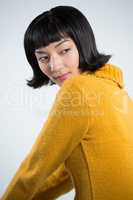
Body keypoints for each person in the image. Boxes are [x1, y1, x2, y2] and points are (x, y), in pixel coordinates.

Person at [1, 5, 133, 200]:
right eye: (43, 57)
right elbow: (66, 173)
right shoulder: (116, 90)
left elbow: (36, 166)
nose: (54, 66)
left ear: (83, 42)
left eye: (64, 50)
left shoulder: (78, 89)